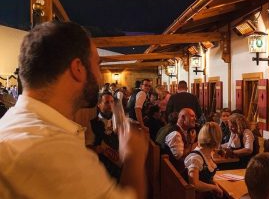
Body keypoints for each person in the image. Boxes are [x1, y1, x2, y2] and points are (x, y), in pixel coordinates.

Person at [0, 21, 148, 198]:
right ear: (78, 68)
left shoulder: (14, 123)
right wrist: (134, 158)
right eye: (98, 66)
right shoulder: (53, 152)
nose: (100, 77)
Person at [183, 122, 224, 198]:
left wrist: (214, 184)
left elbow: (205, 178)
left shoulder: (205, 153)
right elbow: (194, 184)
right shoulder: (196, 158)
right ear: (217, 138)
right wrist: (214, 187)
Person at [90, 92, 121, 180]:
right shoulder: (93, 123)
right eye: (107, 102)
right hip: (102, 169)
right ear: (99, 105)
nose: (110, 105)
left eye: (112, 102)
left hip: (119, 167)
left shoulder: (118, 121)